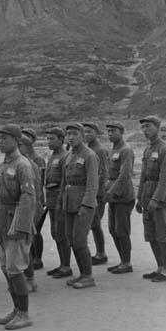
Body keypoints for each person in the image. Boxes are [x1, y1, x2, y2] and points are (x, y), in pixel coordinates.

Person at [0, 124, 35, 330]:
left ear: (16, 141)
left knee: (15, 269)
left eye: (5, 138)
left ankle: (24, 313)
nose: (0, 142)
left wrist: (20, 226)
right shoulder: (2, 165)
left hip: (15, 222)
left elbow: (27, 198)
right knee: (6, 268)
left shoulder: (22, 165)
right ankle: (16, 309)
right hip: (2, 222)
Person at [59, 123, 98, 289]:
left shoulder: (89, 155)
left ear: (82, 135)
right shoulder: (69, 156)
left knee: (80, 240)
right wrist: (61, 201)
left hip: (83, 205)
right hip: (69, 203)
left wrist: (86, 205)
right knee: (71, 239)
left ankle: (88, 276)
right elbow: (64, 182)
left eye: (74, 134)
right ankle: (81, 273)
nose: (71, 137)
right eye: (68, 134)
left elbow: (92, 183)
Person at [136, 116, 166, 282]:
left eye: (148, 126)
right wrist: (139, 198)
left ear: (157, 127)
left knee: (162, 235)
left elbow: (165, 179)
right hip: (147, 196)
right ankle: (159, 267)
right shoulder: (147, 149)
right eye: (143, 127)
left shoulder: (165, 149)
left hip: (161, 199)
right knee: (151, 235)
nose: (145, 130)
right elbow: (143, 176)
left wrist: (156, 200)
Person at [104, 122, 135, 274]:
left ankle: (126, 262)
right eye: (108, 131)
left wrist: (111, 192)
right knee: (113, 229)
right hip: (113, 197)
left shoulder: (126, 150)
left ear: (121, 132)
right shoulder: (113, 150)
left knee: (122, 230)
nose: (110, 134)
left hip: (122, 196)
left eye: (113, 131)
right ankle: (122, 260)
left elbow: (125, 175)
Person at [44, 127, 72, 279]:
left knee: (62, 234)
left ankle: (66, 266)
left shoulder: (64, 157)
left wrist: (60, 202)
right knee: (55, 234)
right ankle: (62, 264)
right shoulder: (53, 156)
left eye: (52, 139)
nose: (49, 141)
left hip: (60, 201)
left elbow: (63, 182)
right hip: (51, 200)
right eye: (47, 139)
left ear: (61, 140)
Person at [18, 134, 43, 292]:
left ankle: (30, 279)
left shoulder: (30, 165)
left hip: (29, 208)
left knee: (25, 244)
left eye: (19, 145)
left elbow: (34, 192)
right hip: (18, 209)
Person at [83, 123, 109, 265]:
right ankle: (99, 253)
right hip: (91, 192)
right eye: (84, 132)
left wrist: (98, 194)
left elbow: (103, 173)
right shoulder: (88, 149)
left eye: (89, 132)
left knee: (95, 224)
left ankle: (101, 253)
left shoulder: (100, 150)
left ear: (96, 133)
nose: (87, 134)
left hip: (97, 194)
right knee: (93, 224)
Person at [22, 127, 45, 269]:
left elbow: (39, 182)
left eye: (27, 136)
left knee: (36, 231)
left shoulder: (37, 159)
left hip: (37, 199)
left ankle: (38, 258)